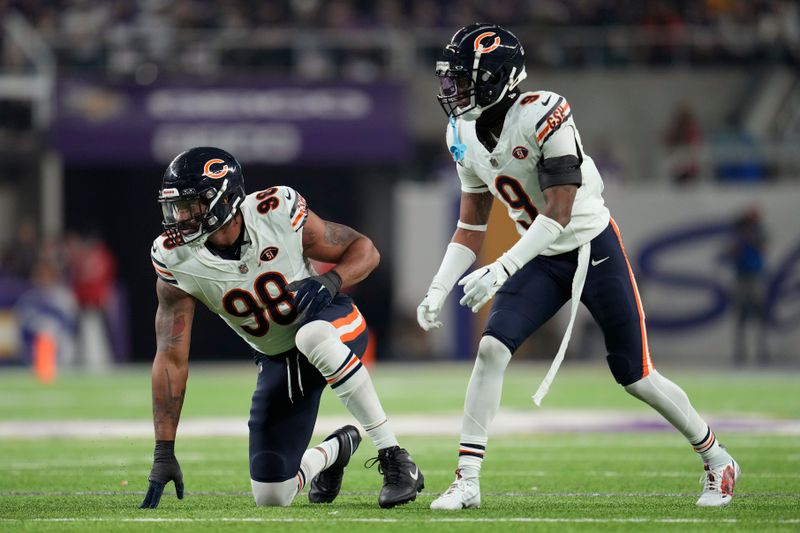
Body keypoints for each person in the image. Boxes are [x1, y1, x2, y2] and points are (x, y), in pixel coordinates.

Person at [417, 23, 739, 510]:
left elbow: (559, 213)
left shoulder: (545, 113)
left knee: (636, 376)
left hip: (592, 248)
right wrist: (437, 288)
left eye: (464, 79)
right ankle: (467, 479)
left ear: (496, 79)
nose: (453, 89)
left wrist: (501, 270)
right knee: (490, 352)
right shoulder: (460, 131)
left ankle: (718, 459)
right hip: (539, 257)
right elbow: (471, 226)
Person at [140, 147, 423, 510]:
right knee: (272, 496)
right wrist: (164, 450)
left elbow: (364, 250)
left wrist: (331, 281)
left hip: (331, 323)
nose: (181, 217)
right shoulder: (174, 258)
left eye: (192, 206)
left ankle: (396, 458)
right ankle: (334, 451)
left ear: (226, 199)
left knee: (312, 336)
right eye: (177, 207)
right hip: (277, 360)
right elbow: (170, 358)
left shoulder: (274, 211)